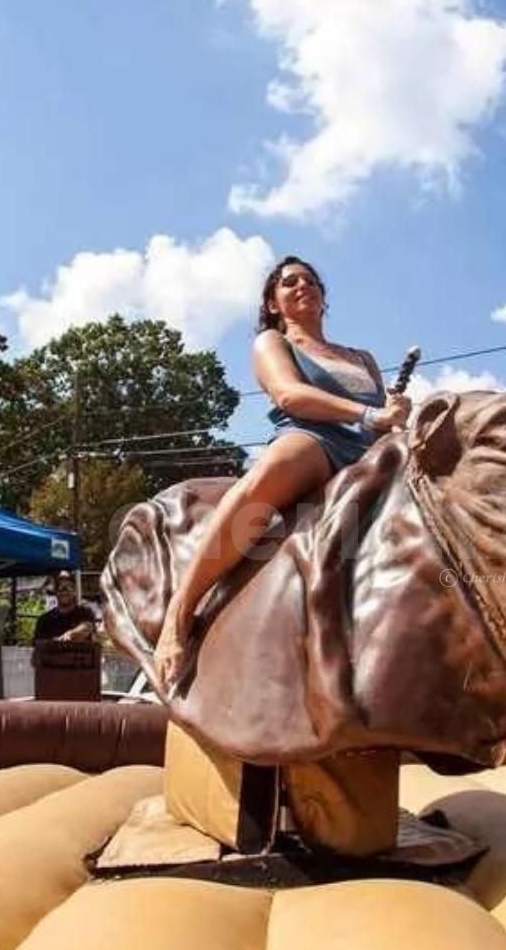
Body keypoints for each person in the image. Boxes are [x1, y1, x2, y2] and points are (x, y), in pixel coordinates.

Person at [151, 255, 410, 692]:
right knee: (278, 465)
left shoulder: (362, 357)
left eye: (311, 280)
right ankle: (180, 611)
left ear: (324, 298)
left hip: (369, 453)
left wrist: (398, 414)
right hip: (312, 438)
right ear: (273, 302)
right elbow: (290, 395)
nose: (303, 285)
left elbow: (388, 420)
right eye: (289, 282)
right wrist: (370, 415)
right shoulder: (273, 343)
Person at [33, 573, 97, 648]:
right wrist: (55, 643)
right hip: (53, 658)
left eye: (69, 588)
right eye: (60, 588)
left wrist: (70, 635)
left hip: (80, 658)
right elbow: (38, 645)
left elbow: (87, 627)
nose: (64, 592)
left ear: (74, 592)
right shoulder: (44, 620)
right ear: (55, 592)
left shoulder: (85, 612)